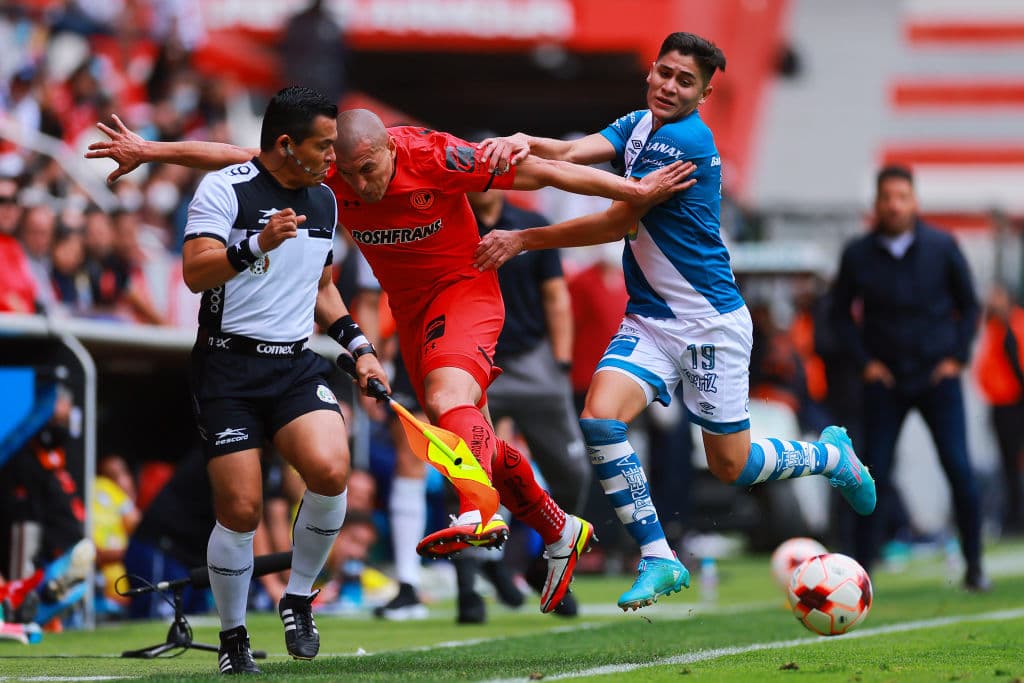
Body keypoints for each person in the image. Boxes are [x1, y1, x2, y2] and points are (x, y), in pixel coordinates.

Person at [86, 105, 692, 616]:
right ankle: (558, 528)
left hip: (465, 291)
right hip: (411, 315)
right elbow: (234, 155)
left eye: (368, 169)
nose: (359, 183)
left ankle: (477, 510)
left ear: (389, 150)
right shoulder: (330, 172)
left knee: (447, 401)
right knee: (467, 434)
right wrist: (150, 150)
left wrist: (633, 191)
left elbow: (540, 172)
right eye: (347, 172)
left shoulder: (435, 155)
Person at [473, 31, 876, 611]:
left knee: (731, 466)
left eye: (685, 81)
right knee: (600, 420)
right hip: (651, 320)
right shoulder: (637, 124)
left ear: (704, 95)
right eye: (664, 72)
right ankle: (659, 556)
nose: (669, 86)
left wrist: (523, 237)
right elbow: (571, 153)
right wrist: (523, 142)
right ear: (651, 72)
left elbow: (615, 219)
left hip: (709, 324)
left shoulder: (684, 142)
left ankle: (832, 456)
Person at [137, 86, 388, 674]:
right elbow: (196, 273)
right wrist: (256, 244)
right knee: (242, 508)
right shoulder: (224, 190)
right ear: (286, 145)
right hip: (227, 368)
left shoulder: (324, 200)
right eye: (323, 146)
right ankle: (233, 637)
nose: (333, 158)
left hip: (294, 364)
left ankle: (297, 598)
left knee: (331, 470)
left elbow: (321, 287)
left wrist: (360, 348)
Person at [829, 164, 986, 590]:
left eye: (902, 197)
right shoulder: (858, 253)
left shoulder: (942, 246)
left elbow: (970, 305)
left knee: (959, 468)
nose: (895, 205)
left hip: (937, 377)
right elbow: (838, 315)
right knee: (869, 473)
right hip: (885, 381)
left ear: (914, 201)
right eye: (887, 198)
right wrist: (865, 363)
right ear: (876, 203)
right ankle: (860, 572)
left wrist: (957, 358)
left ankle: (975, 566)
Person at [975, 282, 1024, 535]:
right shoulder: (995, 327)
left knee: (1014, 462)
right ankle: (1014, 516)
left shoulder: (1017, 325)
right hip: (1002, 404)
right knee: (1008, 464)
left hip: (1015, 403)